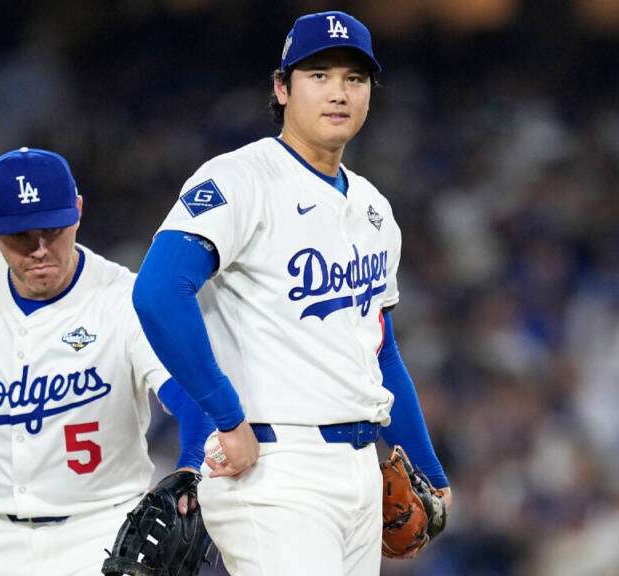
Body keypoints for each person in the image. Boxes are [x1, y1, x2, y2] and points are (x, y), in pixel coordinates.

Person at [131, 11, 452, 576]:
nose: (338, 92)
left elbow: (381, 352)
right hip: (273, 469)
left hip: (360, 471)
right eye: (319, 75)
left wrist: (430, 470)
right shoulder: (240, 179)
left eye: (354, 78)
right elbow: (158, 291)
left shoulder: (375, 209)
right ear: (281, 88)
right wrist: (227, 417)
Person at [0, 147, 215, 575]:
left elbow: (195, 397)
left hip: (104, 533)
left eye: (53, 230)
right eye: (20, 235)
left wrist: (191, 467)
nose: (39, 249)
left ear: (78, 211)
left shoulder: (122, 298)